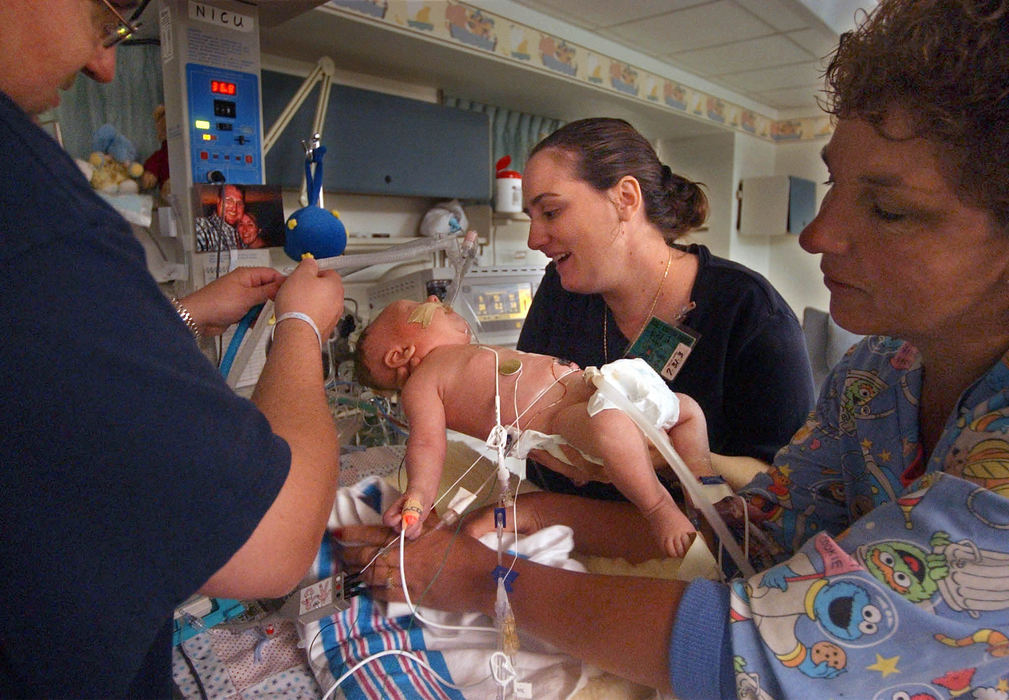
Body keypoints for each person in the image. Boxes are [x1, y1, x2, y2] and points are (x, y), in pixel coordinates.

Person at [340, 1, 1009, 696]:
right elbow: (759, 532)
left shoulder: (746, 312)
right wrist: (532, 511)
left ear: (624, 199)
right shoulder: (877, 375)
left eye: (889, 208)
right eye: (834, 181)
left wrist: (479, 577)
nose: (816, 234)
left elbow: (775, 649)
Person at [1, 2, 346, 696]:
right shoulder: (28, 205)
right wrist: (302, 328)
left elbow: (44, 373)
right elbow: (272, 543)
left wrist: (185, 313)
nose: (104, 64)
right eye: (102, 17)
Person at [514, 117, 815, 501]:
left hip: (680, 551)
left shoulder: (749, 311)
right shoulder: (560, 293)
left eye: (551, 212)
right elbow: (521, 407)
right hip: (557, 529)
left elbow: (787, 484)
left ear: (625, 198)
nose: (534, 238)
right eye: (530, 217)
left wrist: (680, 454)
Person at [354, 296, 713, 558]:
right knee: (611, 426)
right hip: (564, 421)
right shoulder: (425, 383)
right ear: (399, 354)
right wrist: (418, 496)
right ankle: (658, 508)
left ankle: (705, 483)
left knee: (687, 410)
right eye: (414, 306)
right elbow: (428, 444)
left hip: (597, 383)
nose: (433, 298)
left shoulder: (468, 353)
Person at [195, 183, 245, 251]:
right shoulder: (202, 227)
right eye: (229, 201)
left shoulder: (242, 233)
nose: (234, 208)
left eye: (239, 203)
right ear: (219, 201)